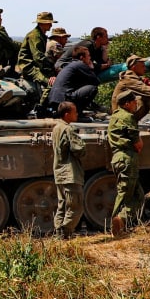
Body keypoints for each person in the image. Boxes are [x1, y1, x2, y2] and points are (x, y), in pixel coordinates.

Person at [108, 90, 144, 236]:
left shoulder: (114, 116)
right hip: (127, 158)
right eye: (134, 102)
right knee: (126, 194)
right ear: (127, 103)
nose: (136, 104)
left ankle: (122, 221)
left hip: (118, 158)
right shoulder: (128, 117)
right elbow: (138, 144)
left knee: (137, 194)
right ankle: (117, 223)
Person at [51, 101, 86, 237]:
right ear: (67, 114)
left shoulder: (56, 128)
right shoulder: (68, 129)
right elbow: (79, 149)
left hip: (59, 172)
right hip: (70, 173)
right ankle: (66, 232)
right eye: (74, 111)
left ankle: (58, 232)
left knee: (62, 205)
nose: (77, 114)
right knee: (75, 206)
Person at [111, 55, 150, 128]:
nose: (144, 68)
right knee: (148, 97)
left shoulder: (136, 78)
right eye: (142, 66)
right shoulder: (128, 79)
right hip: (120, 118)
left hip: (126, 114)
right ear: (134, 67)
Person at [48, 44, 100, 114]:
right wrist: (91, 68)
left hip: (54, 100)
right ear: (82, 57)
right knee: (92, 88)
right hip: (64, 100)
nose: (90, 58)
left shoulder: (71, 64)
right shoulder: (80, 64)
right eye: (88, 56)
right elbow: (96, 81)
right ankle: (77, 113)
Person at [17, 11, 56, 86]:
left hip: (35, 66)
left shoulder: (40, 35)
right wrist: (50, 73)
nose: (51, 25)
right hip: (29, 67)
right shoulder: (35, 36)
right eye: (48, 23)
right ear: (42, 23)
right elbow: (38, 57)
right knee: (50, 84)